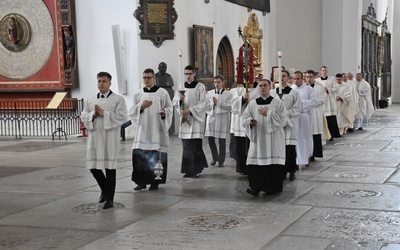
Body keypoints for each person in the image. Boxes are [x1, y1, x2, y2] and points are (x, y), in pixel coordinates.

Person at [80, 72, 127, 209]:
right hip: (95, 138)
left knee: (110, 168)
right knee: (93, 167)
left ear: (110, 83)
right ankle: (105, 190)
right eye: (99, 81)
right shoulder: (90, 100)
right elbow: (83, 116)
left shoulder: (118, 99)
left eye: (104, 81)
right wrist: (93, 115)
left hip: (110, 139)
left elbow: (122, 117)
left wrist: (104, 114)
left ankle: (110, 199)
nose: (101, 83)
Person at [129, 68, 173, 191]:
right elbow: (131, 112)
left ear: (154, 78)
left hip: (156, 130)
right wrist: (140, 107)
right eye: (144, 78)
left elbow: (170, 108)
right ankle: (141, 182)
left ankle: (155, 183)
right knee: (140, 157)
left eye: (149, 77)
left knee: (156, 158)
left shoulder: (162, 92)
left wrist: (165, 113)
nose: (147, 80)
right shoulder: (138, 94)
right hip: (142, 131)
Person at [242, 79, 287, 196]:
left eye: (265, 85)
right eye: (260, 86)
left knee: (272, 164)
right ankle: (255, 187)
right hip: (258, 138)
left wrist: (268, 114)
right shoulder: (252, 104)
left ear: (269, 87)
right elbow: (244, 118)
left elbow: (284, 120)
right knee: (254, 163)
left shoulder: (278, 103)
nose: (262, 88)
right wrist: (249, 121)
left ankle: (271, 188)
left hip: (273, 139)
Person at [172, 65, 208, 178]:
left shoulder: (200, 86)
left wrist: (190, 110)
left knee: (196, 146)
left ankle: (196, 169)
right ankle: (188, 170)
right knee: (186, 145)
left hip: (196, 120)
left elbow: (203, 103)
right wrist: (179, 101)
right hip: (185, 120)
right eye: (186, 74)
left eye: (190, 74)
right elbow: (174, 101)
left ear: (194, 74)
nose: (188, 76)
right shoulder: (180, 86)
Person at [272, 70, 301, 181]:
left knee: (290, 148)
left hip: (290, 124)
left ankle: (292, 170)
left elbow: (297, 109)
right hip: (277, 125)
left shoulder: (294, 93)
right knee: (279, 148)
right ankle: (282, 171)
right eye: (279, 76)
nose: (281, 78)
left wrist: (285, 115)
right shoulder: (273, 92)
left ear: (288, 78)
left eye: (284, 76)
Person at [231, 81, 259, 174]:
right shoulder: (237, 90)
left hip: (254, 122)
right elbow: (233, 105)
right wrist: (242, 98)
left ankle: (253, 167)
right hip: (240, 123)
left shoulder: (258, 89)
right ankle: (243, 168)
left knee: (253, 145)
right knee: (241, 146)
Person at [292, 71, 318, 167]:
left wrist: (299, 104)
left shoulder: (309, 89)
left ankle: (307, 156)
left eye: (298, 78)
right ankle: (295, 159)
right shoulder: (291, 89)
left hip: (304, 116)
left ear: (302, 78)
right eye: (294, 78)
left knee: (305, 137)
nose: (296, 81)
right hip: (293, 117)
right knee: (295, 138)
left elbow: (314, 102)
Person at [205, 75, 232, 167]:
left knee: (222, 140)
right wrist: (212, 104)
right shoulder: (209, 93)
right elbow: (205, 106)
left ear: (223, 82)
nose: (216, 84)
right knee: (210, 139)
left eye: (218, 82)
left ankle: (221, 160)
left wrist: (219, 103)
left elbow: (230, 106)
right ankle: (214, 157)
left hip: (222, 118)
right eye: (215, 82)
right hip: (212, 117)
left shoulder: (228, 94)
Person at [315, 66, 341, 140]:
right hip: (321, 100)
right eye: (323, 70)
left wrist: (328, 90)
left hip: (329, 101)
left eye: (325, 70)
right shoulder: (316, 80)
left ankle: (332, 134)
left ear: (327, 71)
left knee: (330, 118)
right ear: (320, 71)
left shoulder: (332, 79)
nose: (324, 72)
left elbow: (336, 88)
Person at [155, 62, 175, 134]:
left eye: (165, 68)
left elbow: (171, 85)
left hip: (169, 92)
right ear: (158, 68)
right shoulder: (155, 77)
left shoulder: (169, 77)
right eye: (162, 68)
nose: (164, 70)